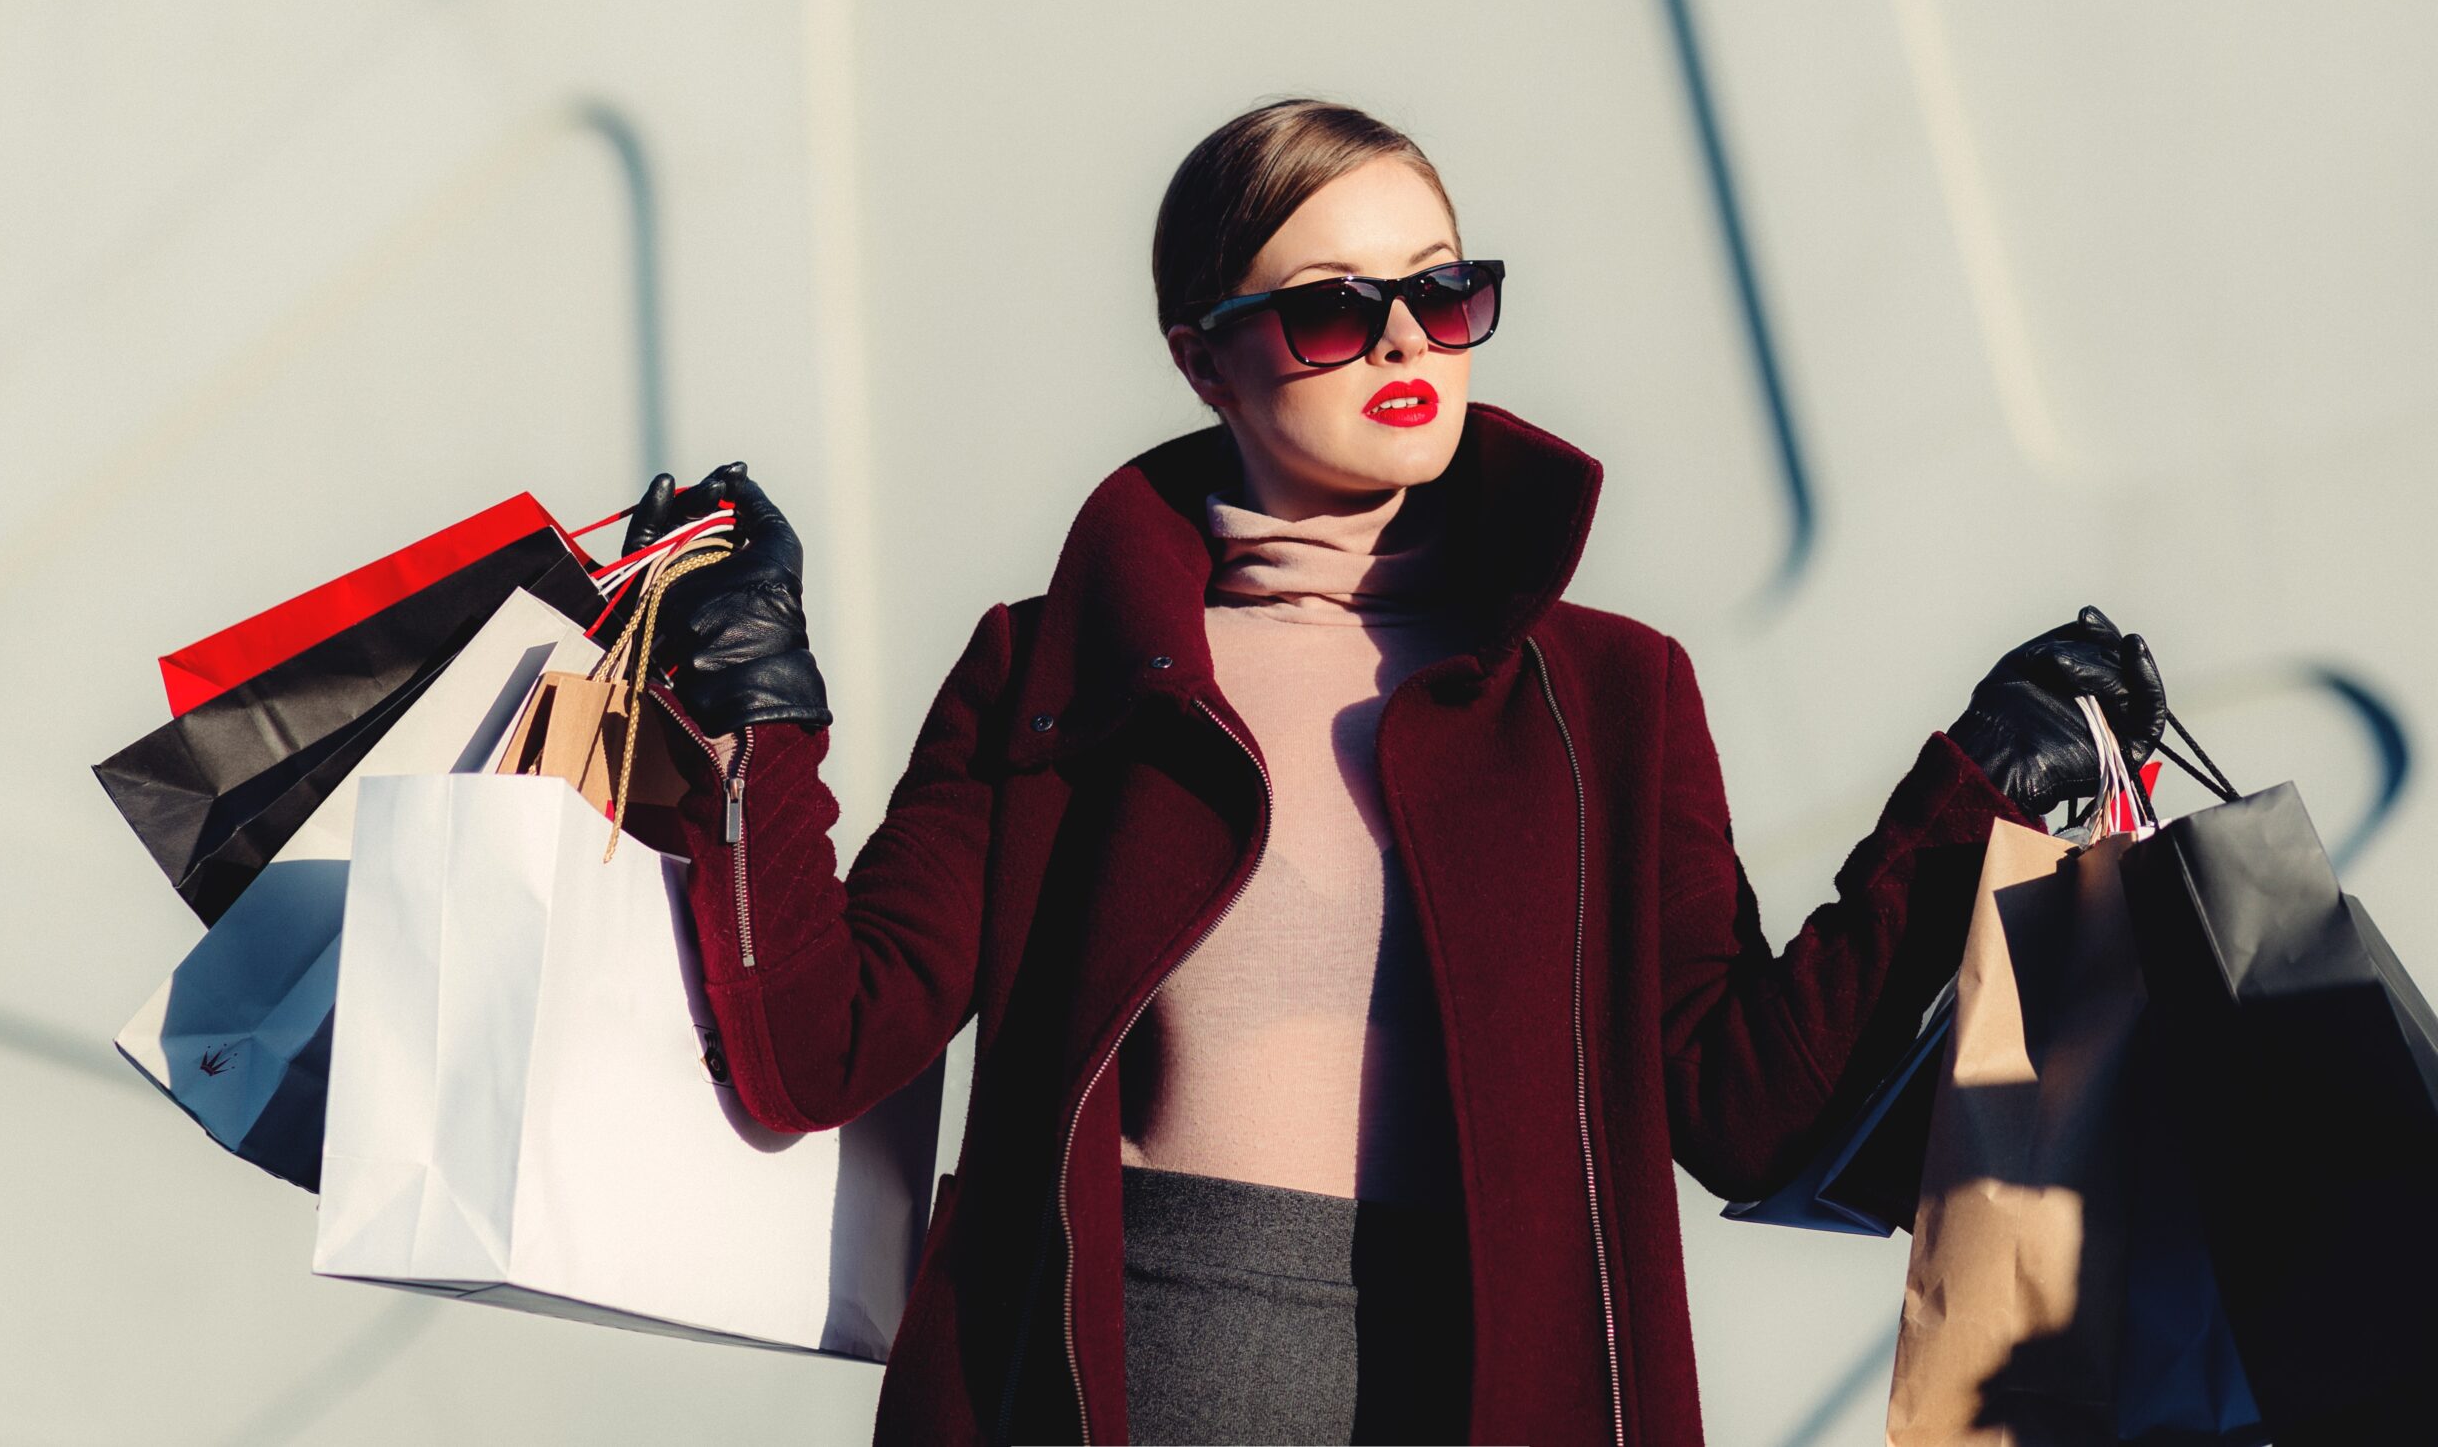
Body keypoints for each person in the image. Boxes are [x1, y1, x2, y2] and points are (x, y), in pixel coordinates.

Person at [621, 99, 2166, 1445]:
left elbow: (1743, 1108)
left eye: (1446, 289)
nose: (1412, 341)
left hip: (1505, 1387)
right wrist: (760, 705)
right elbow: (820, 1045)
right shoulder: (1058, 670)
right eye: (1332, 311)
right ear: (1201, 357)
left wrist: (1973, 792)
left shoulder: (1610, 694)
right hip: (1128, 1383)